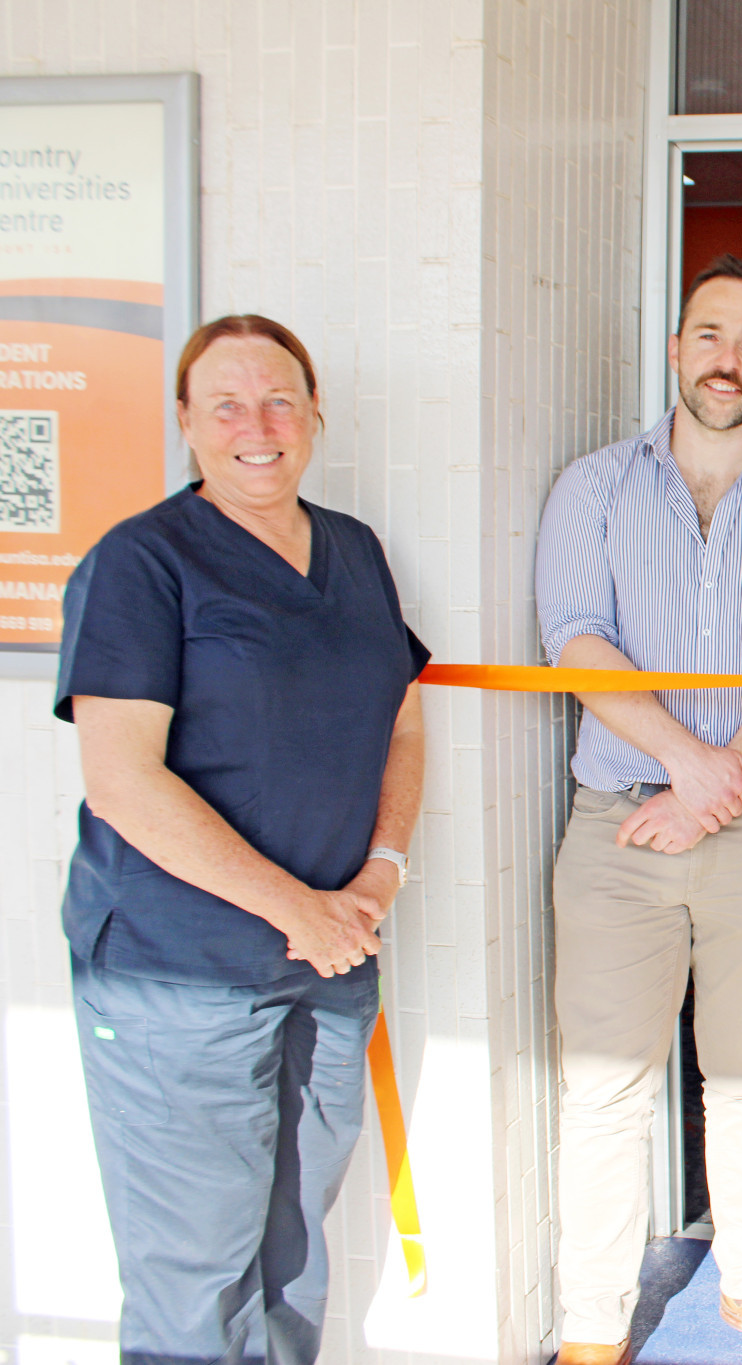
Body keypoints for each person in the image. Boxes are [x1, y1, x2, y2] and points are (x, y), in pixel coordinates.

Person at [56, 314, 429, 1364]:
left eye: (278, 401)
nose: (255, 426)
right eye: (225, 404)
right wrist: (298, 907)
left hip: (329, 966)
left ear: (315, 415)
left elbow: (401, 720)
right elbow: (123, 780)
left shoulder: (353, 551)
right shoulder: (141, 563)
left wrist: (381, 872)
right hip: (180, 978)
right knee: (195, 1275)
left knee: (291, 1253)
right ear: (185, 423)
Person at [536, 254, 742, 1365]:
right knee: (604, 1088)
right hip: (618, 828)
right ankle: (589, 1322)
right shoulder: (592, 488)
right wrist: (686, 767)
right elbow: (575, 641)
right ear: (676, 350)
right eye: (709, 335)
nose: (728, 359)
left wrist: (713, 795)